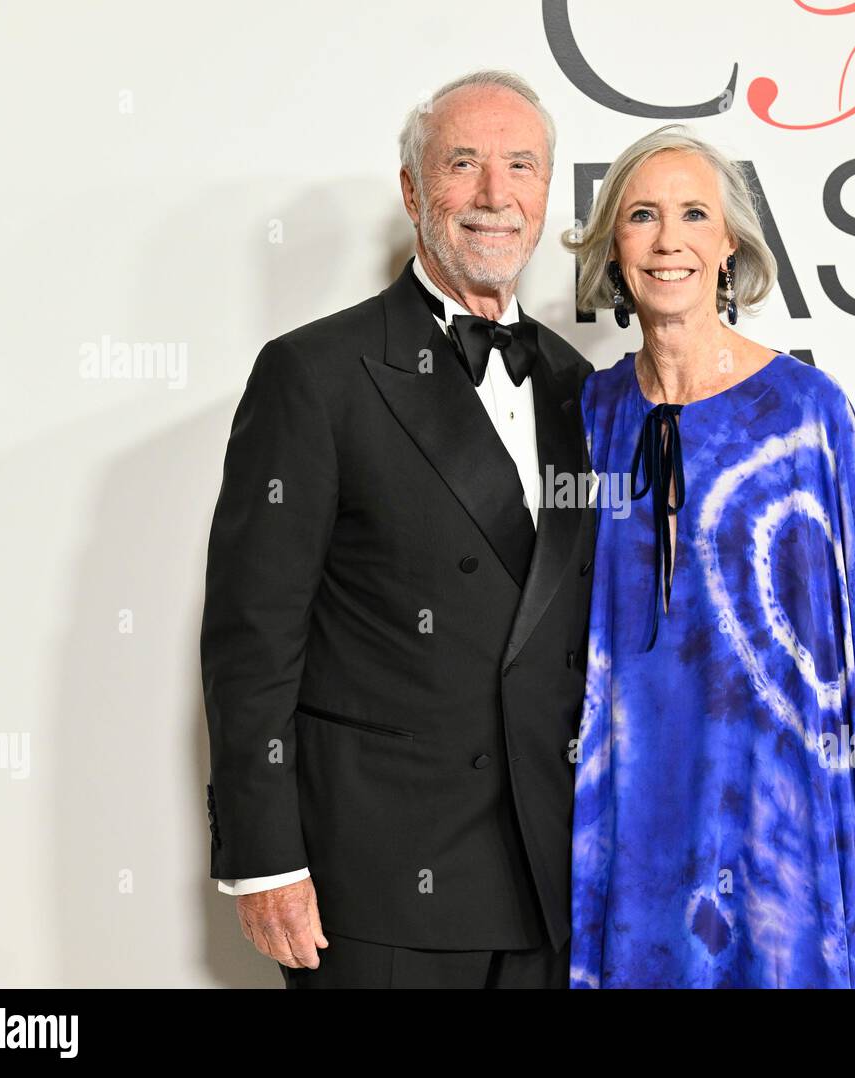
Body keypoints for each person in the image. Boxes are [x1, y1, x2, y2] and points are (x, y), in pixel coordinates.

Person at [200, 69, 596, 989]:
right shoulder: (316, 373)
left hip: (556, 876)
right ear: (415, 191)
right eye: (464, 164)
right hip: (376, 884)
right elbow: (251, 636)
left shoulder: (585, 391)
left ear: (545, 196)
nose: (496, 196)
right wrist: (265, 858)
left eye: (521, 167)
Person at [560, 124, 855, 988]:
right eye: (642, 216)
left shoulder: (805, 412)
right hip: (630, 821)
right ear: (615, 247)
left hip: (782, 826)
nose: (668, 239)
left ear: (730, 245)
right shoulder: (588, 418)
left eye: (694, 214)